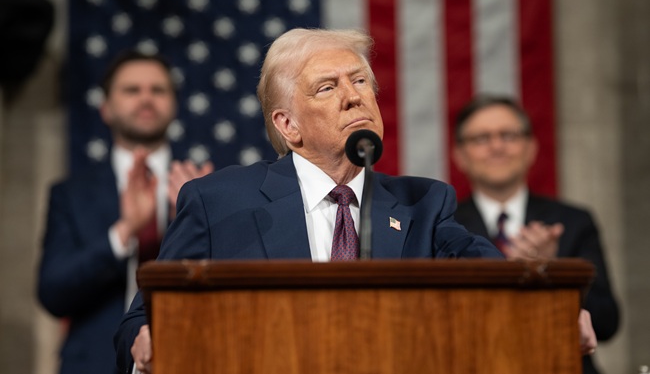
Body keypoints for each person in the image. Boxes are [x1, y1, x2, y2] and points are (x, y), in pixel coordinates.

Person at [113, 29, 596, 374]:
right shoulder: (219, 201)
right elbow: (142, 318)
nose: (353, 97)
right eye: (328, 87)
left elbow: (486, 269)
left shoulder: (424, 204)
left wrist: (545, 308)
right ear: (287, 125)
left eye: (360, 81)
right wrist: (150, 341)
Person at [37, 50, 214, 374]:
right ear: (106, 108)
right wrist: (125, 231)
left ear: (174, 105)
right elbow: (53, 293)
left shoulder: (204, 185)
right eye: (132, 90)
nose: (146, 99)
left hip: (192, 356)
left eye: (157, 90)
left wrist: (197, 219)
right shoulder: (71, 195)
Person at [452, 95, 619, 374]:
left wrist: (551, 271)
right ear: (459, 155)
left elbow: (607, 322)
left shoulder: (573, 222)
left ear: (531, 148)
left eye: (508, 135)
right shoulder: (444, 224)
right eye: (481, 139)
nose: (497, 147)